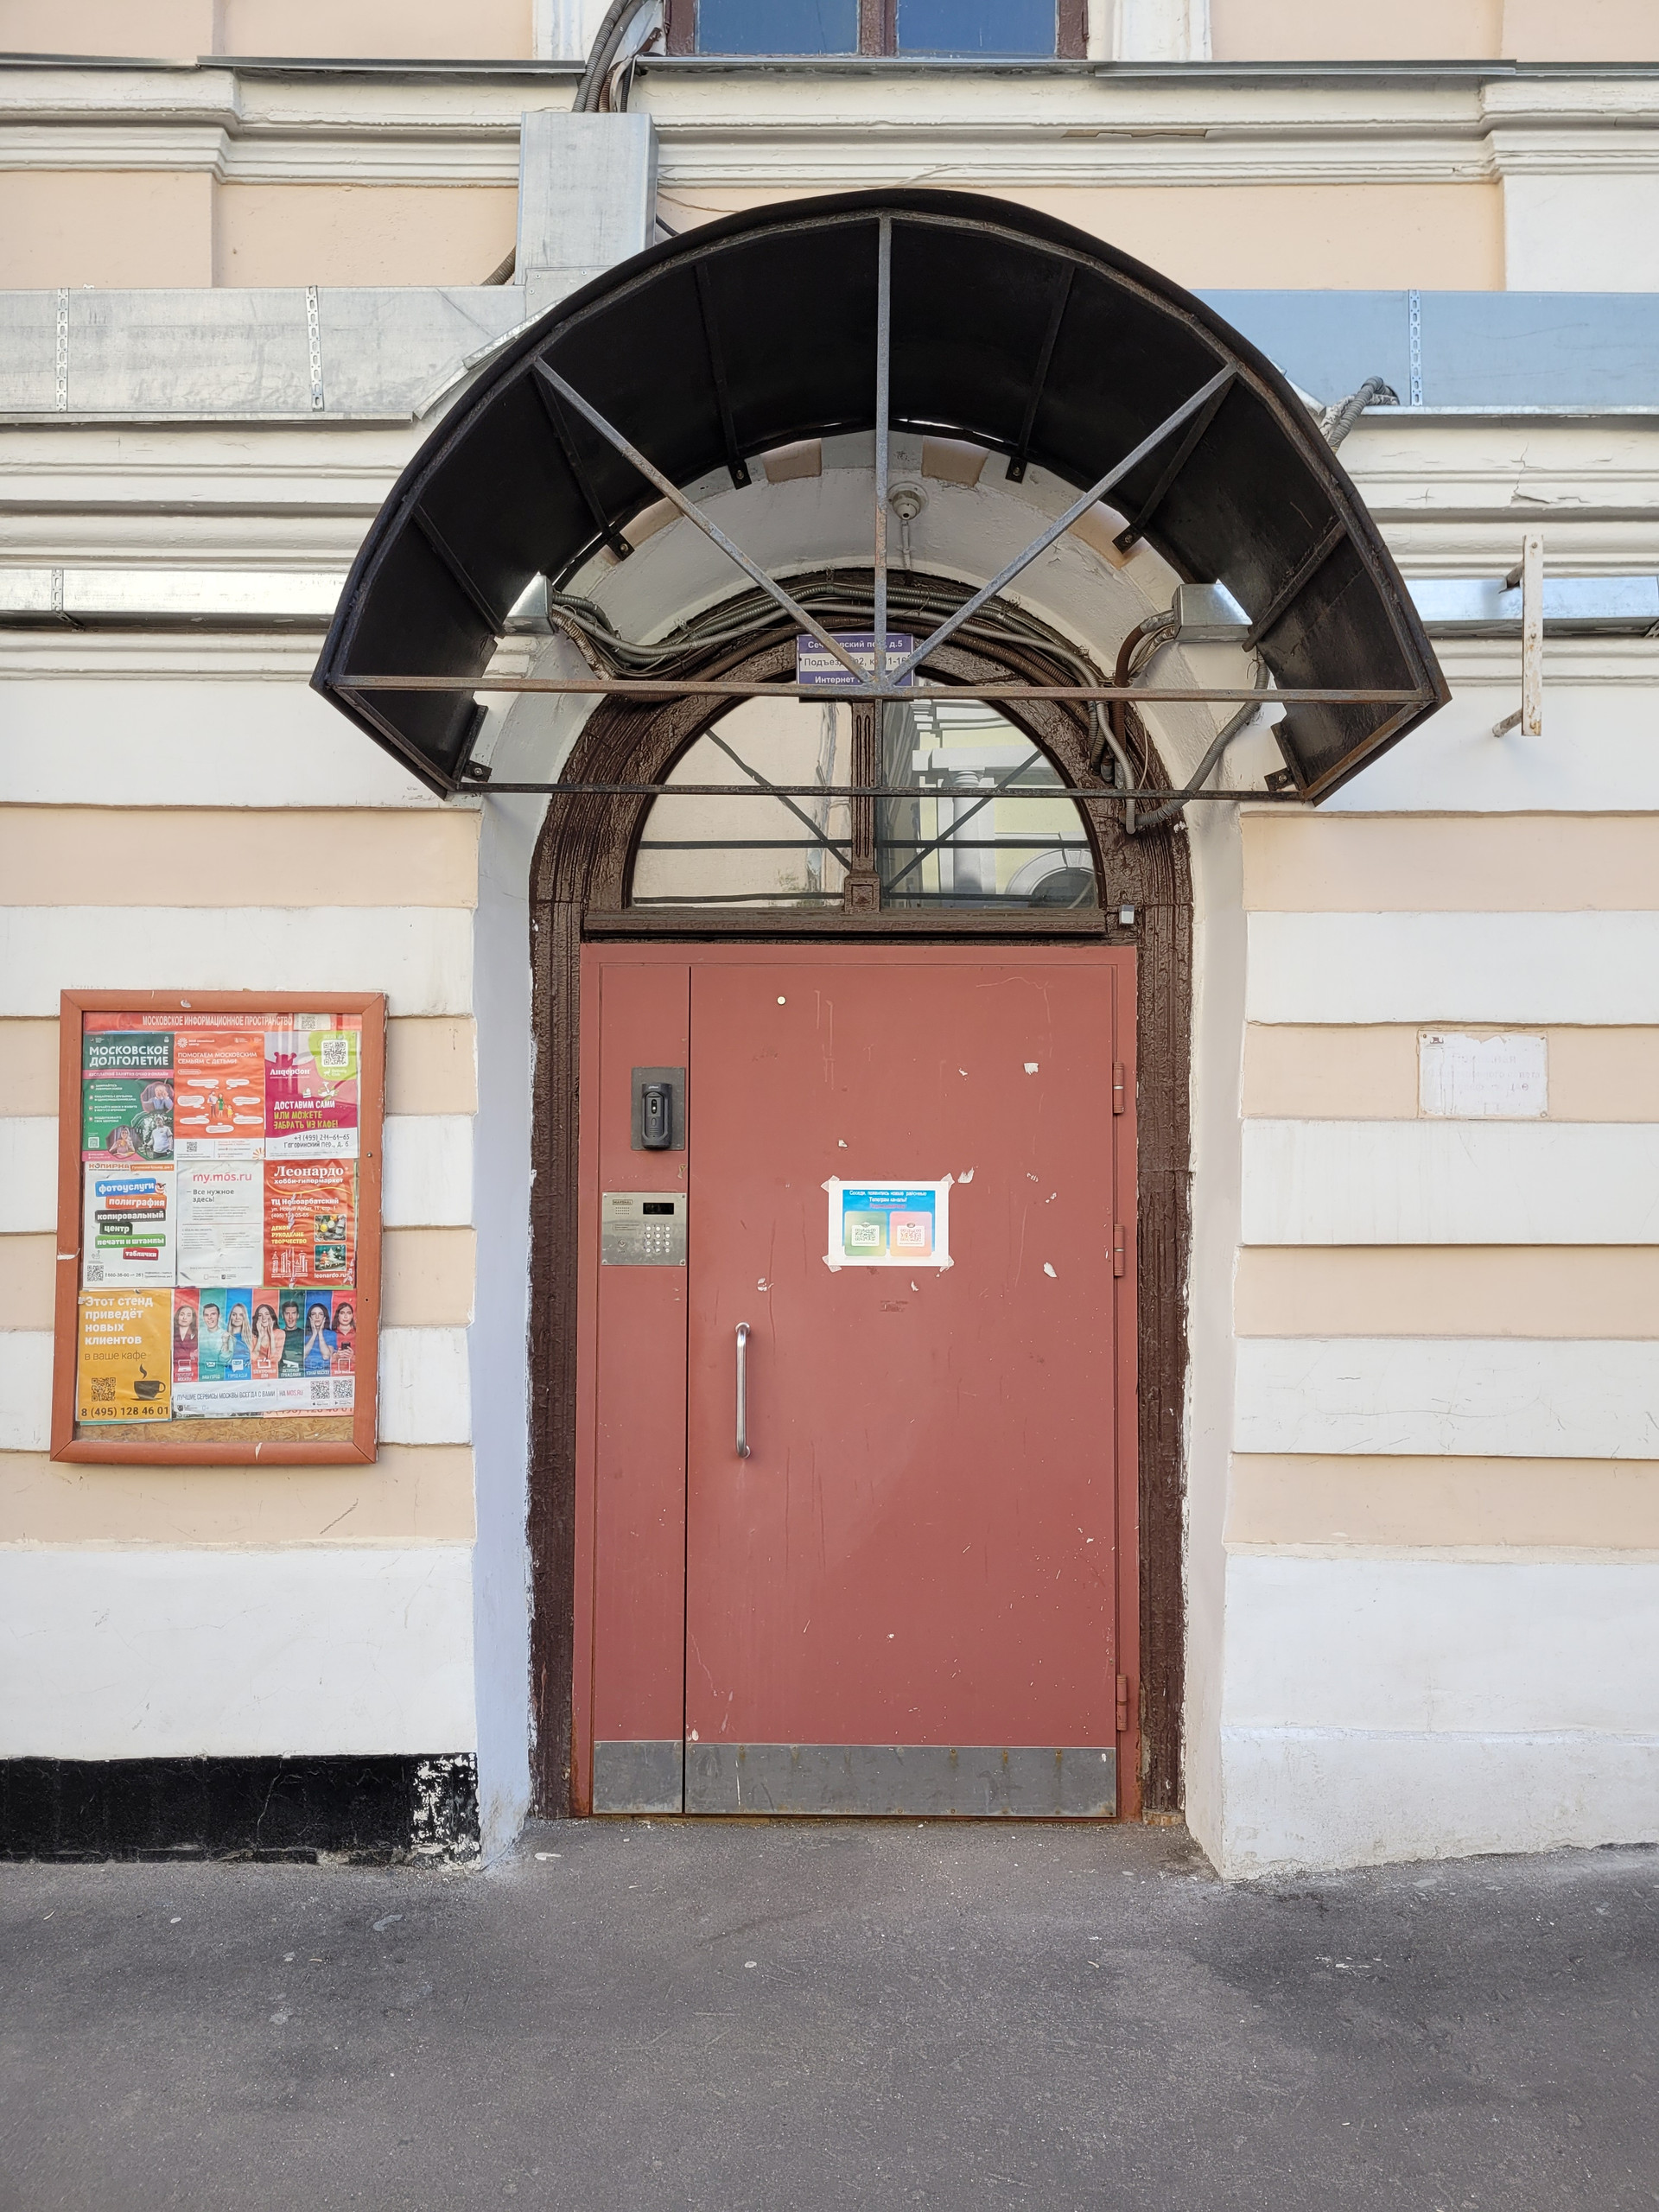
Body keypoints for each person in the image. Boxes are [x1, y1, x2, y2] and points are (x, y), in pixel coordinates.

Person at [302, 1300, 336, 1376]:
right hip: (306, 1373)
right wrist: (314, 1334)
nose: (317, 1317)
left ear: (325, 1317)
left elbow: (326, 1356)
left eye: (320, 1314)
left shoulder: (331, 1334)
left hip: (325, 1373)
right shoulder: (303, 1334)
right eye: (313, 1314)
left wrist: (320, 1333)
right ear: (310, 1317)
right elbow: (303, 1355)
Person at [196, 1299, 226, 1382]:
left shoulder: (226, 1336)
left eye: (213, 1314)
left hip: (220, 1378)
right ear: (203, 1317)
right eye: (206, 1315)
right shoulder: (198, 1334)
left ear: (219, 1316)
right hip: (200, 1378)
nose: (209, 1318)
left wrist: (225, 1344)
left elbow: (225, 1361)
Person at [250, 1302, 282, 1379]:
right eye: (260, 1315)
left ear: (272, 1317)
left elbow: (275, 1359)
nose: (264, 1318)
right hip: (256, 1373)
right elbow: (252, 1359)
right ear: (257, 1319)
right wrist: (260, 1338)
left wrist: (271, 1335)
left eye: (267, 1314)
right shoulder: (252, 1335)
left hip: (273, 1374)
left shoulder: (280, 1333)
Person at [225, 1300, 253, 1380]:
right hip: (228, 1379)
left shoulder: (251, 1338)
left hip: (247, 1379)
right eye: (234, 1314)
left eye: (241, 1315)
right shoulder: (224, 1338)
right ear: (230, 1316)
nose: (237, 1318)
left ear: (245, 1317)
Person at [172, 1298, 198, 1382]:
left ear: (192, 1319)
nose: (184, 1318)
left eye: (188, 1315)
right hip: (173, 1370)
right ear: (177, 1316)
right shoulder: (171, 1332)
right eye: (182, 1314)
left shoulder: (197, 1334)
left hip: (192, 1372)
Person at [278, 1294, 304, 1376]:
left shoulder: (305, 1334)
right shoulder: (277, 1335)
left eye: (293, 1313)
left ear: (298, 1315)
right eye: (287, 1314)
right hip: (282, 1374)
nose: (290, 1317)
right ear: (282, 1316)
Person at [330, 1300, 356, 1375]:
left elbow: (367, 1360)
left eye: (349, 1313)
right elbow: (321, 1361)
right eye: (342, 1313)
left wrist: (352, 1357)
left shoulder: (358, 1335)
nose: (345, 1316)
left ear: (352, 1315)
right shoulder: (331, 1335)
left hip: (354, 1374)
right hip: (335, 1374)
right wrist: (336, 1357)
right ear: (337, 1315)